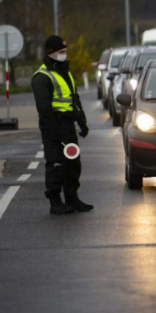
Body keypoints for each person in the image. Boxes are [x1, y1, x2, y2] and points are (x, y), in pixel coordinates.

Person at [32, 35, 93, 215]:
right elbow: (44, 109)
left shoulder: (65, 73)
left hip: (68, 125)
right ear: (51, 53)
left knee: (73, 164)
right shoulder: (41, 77)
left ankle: (72, 199)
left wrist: (82, 122)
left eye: (65, 52)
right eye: (61, 52)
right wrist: (55, 133)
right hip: (54, 126)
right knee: (57, 164)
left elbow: (74, 100)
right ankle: (55, 201)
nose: (64, 55)